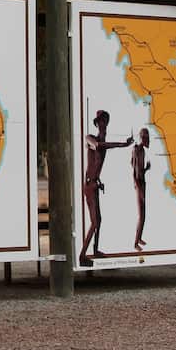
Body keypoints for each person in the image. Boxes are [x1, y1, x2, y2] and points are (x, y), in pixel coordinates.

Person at [79, 109, 132, 266]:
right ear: (97, 123)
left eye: (104, 121)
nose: (102, 124)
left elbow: (100, 156)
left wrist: (99, 181)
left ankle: (95, 250)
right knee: (94, 222)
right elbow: (99, 146)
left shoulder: (103, 140)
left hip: (95, 184)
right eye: (100, 121)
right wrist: (122, 144)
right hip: (89, 185)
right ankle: (82, 255)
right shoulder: (91, 139)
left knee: (99, 221)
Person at [131, 127, 151, 251]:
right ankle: (135, 243)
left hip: (142, 183)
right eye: (145, 137)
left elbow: (138, 169)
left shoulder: (142, 151)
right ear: (142, 138)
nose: (148, 140)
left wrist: (146, 169)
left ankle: (139, 238)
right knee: (141, 215)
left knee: (144, 215)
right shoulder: (136, 150)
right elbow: (134, 171)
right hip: (139, 184)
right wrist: (138, 188)